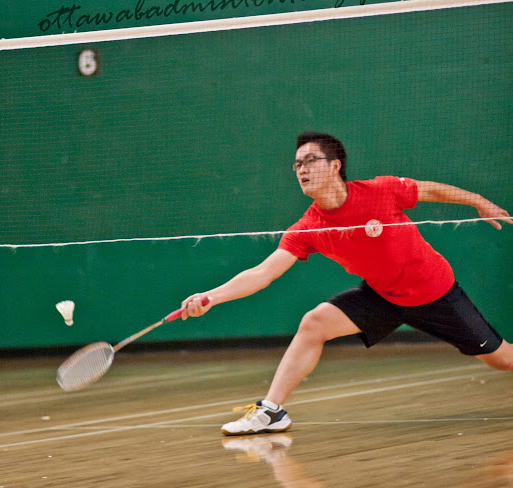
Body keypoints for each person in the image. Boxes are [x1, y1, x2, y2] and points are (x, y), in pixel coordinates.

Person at [181, 132, 513, 435]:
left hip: (436, 293)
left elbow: (429, 189)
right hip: (382, 295)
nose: (302, 169)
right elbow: (262, 273)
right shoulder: (308, 227)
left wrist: (477, 200)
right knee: (314, 323)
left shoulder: (380, 191)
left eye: (310, 160)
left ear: (336, 165)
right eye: (297, 164)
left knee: (503, 361)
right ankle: (272, 411)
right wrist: (210, 297)